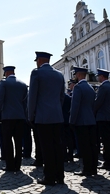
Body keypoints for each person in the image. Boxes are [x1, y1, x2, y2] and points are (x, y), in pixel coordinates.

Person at [28, 52, 65, 185]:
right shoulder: (59, 74)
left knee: (47, 148)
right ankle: (60, 176)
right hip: (57, 116)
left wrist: (30, 116)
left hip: (42, 117)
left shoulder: (36, 73)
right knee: (58, 147)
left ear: (39, 60)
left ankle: (49, 177)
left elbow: (32, 97)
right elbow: (62, 97)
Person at [0, 66, 28, 172]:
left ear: (6, 73)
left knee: (7, 142)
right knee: (18, 142)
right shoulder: (23, 84)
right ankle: (18, 165)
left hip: (7, 118)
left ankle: (10, 165)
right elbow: (25, 103)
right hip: (20, 117)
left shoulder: (3, 83)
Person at [70, 67, 98, 177]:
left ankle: (87, 169)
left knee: (84, 147)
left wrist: (72, 121)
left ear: (78, 75)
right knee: (92, 146)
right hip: (91, 120)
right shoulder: (90, 88)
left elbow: (75, 106)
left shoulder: (78, 88)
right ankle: (93, 168)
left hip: (81, 121)